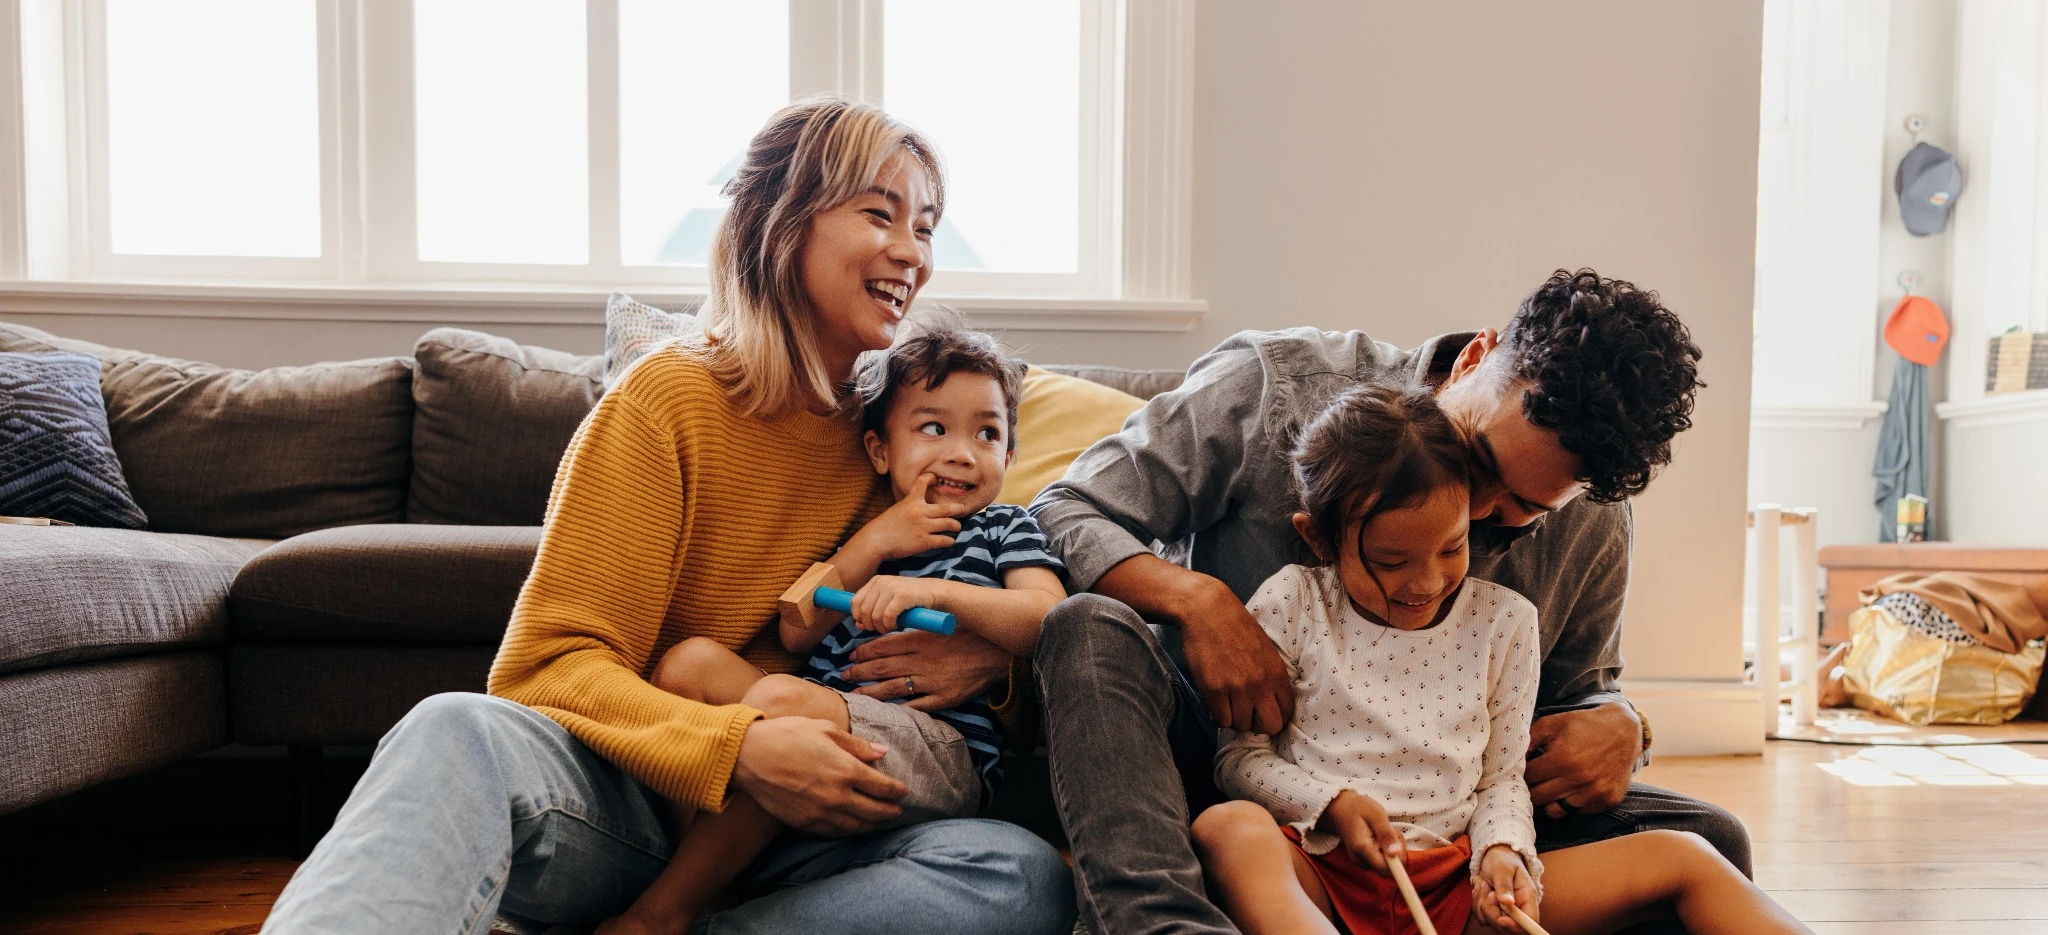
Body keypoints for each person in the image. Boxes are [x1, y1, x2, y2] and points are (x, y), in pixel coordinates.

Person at [261, 99, 1075, 935]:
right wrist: (736, 748)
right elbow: (545, 666)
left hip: (816, 828)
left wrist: (990, 667)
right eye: (880, 213)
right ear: (782, 224)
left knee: (1018, 878)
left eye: (927, 228)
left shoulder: (897, 437)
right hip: (637, 805)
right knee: (453, 728)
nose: (912, 252)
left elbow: (988, 622)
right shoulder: (667, 401)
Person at [1030, 269, 1741, 934]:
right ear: (1476, 360)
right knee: (1087, 628)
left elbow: (1575, 696)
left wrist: (1624, 727)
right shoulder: (1273, 386)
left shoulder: (1591, 522)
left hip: (1438, 820)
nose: (1482, 508)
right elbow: (1065, 507)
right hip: (1227, 765)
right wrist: (1199, 601)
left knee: (1714, 840)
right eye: (1483, 461)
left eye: (1524, 507)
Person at [1191, 384, 1809, 935]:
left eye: (1452, 547)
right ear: (1320, 538)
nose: (1425, 582)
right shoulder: (1293, 601)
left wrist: (1502, 854)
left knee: (1690, 856)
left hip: (1456, 883)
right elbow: (1239, 760)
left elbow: (1500, 780)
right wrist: (1332, 805)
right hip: (1322, 869)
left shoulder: (1507, 621)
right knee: (1227, 830)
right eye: (1389, 561)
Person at [598, 327, 1067, 935]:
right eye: (933, 428)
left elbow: (1048, 618)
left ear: (1007, 458)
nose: (961, 452)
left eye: (987, 433)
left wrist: (934, 591)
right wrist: (873, 543)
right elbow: (796, 631)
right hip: (833, 711)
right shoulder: (871, 530)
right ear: (879, 450)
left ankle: (663, 914)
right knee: (689, 663)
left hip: (939, 745)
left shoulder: (1006, 526)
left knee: (781, 702)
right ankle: (708, 880)